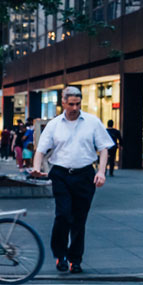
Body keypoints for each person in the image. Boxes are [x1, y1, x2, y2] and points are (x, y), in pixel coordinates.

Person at [31, 86, 113, 274]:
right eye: (71, 104)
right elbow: (41, 149)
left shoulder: (92, 122)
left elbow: (104, 148)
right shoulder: (54, 124)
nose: (74, 108)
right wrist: (36, 167)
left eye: (77, 104)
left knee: (79, 219)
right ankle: (60, 254)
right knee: (63, 215)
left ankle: (75, 259)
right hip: (60, 174)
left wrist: (101, 172)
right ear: (63, 103)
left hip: (85, 175)